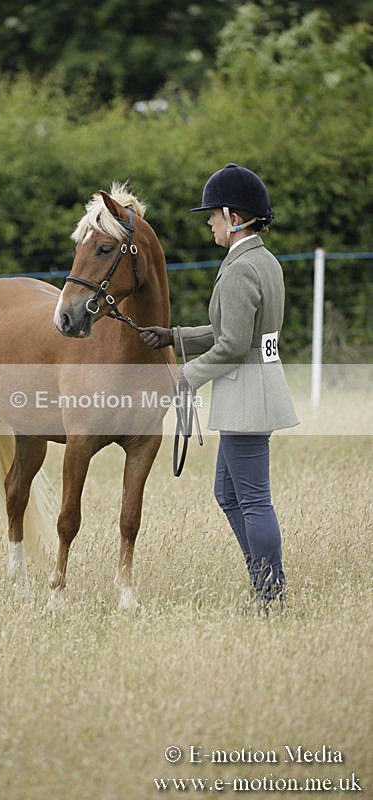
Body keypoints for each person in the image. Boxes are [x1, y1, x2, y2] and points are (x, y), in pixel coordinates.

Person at [140, 163, 298, 613]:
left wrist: (185, 377)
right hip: (257, 383)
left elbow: (230, 346)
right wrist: (174, 337)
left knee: (251, 500)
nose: (208, 222)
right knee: (229, 495)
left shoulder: (240, 270)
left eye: (212, 214)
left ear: (233, 216)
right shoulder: (263, 261)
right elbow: (232, 331)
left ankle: (270, 597)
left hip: (247, 391)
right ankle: (263, 584)